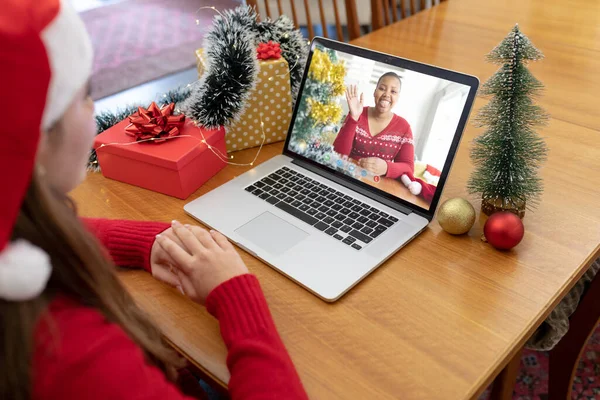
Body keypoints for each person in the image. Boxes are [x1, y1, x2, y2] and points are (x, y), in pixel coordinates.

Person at [0, 1, 308, 399]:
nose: (94, 109)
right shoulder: (79, 362)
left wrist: (149, 242)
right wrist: (236, 294)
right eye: (84, 95)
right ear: (33, 141)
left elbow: (47, 233)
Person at [333, 72, 415, 179]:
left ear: (398, 97)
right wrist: (353, 118)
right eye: (382, 88)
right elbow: (337, 155)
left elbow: (409, 168)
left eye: (393, 91)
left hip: (377, 186)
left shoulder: (404, 127)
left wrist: (386, 168)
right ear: (375, 92)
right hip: (348, 177)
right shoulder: (358, 113)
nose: (386, 94)